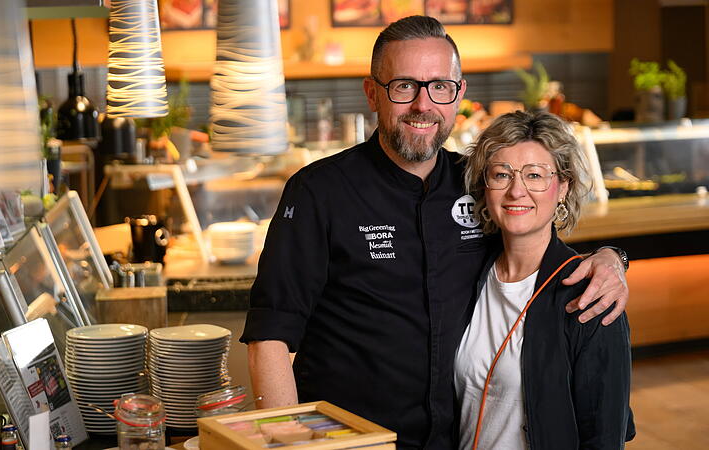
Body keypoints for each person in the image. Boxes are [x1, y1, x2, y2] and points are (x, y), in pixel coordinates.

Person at [240, 15, 630, 449]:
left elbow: (532, 235)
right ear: (373, 93)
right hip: (351, 441)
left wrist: (611, 259)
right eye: (404, 86)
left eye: (439, 86)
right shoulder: (319, 191)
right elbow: (269, 336)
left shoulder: (477, 182)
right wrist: (286, 442)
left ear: (458, 94)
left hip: (452, 440)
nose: (423, 105)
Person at [455, 111, 635, 449]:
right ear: (484, 185)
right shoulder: (466, 274)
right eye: (501, 174)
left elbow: (604, 437)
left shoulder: (591, 296)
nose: (516, 191)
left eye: (535, 175)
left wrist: (615, 258)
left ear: (563, 186)